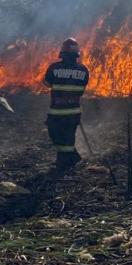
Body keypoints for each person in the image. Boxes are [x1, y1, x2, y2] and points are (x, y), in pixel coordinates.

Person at [43, 38, 90, 171]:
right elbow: (82, 88)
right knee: (68, 137)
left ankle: (64, 162)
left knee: (56, 136)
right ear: (76, 55)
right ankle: (71, 158)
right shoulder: (83, 70)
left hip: (56, 112)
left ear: (62, 54)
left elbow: (47, 83)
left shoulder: (54, 68)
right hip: (74, 112)